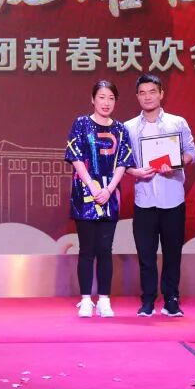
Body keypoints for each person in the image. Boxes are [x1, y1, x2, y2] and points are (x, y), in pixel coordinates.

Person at [124, 73, 195, 318]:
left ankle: (171, 300)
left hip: (172, 198)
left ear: (161, 94)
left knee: (172, 253)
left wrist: (176, 163)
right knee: (146, 254)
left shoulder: (177, 123)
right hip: (144, 199)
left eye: (152, 92)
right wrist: (135, 171)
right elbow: (123, 162)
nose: (147, 97)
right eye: (142, 93)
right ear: (137, 97)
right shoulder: (129, 127)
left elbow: (191, 152)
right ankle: (147, 301)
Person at [63, 80, 135, 318]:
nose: (106, 102)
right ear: (93, 99)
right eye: (102, 97)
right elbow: (75, 157)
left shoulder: (121, 129)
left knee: (105, 250)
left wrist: (109, 189)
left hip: (110, 195)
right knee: (86, 250)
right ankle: (86, 300)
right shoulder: (81, 123)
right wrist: (92, 187)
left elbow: (123, 162)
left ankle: (104, 299)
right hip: (85, 195)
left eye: (111, 98)